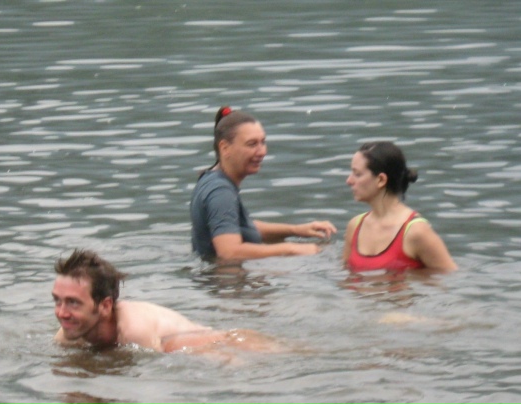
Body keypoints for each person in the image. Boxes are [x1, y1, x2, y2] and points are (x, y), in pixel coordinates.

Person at [52, 249, 283, 356]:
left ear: (105, 306)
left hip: (231, 345)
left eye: (73, 303)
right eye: (57, 301)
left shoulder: (133, 331)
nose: (61, 313)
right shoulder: (69, 335)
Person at [190, 105, 337, 261]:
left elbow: (239, 226)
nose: (262, 152)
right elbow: (229, 252)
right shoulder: (220, 192)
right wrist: (291, 249)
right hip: (224, 277)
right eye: (252, 144)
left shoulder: (210, 179)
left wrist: (295, 230)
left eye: (263, 142)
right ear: (225, 148)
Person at [342, 141, 457, 273]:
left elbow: (450, 277)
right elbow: (344, 275)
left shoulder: (417, 232)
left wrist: (413, 278)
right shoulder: (355, 226)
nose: (349, 181)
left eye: (357, 174)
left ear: (381, 180)